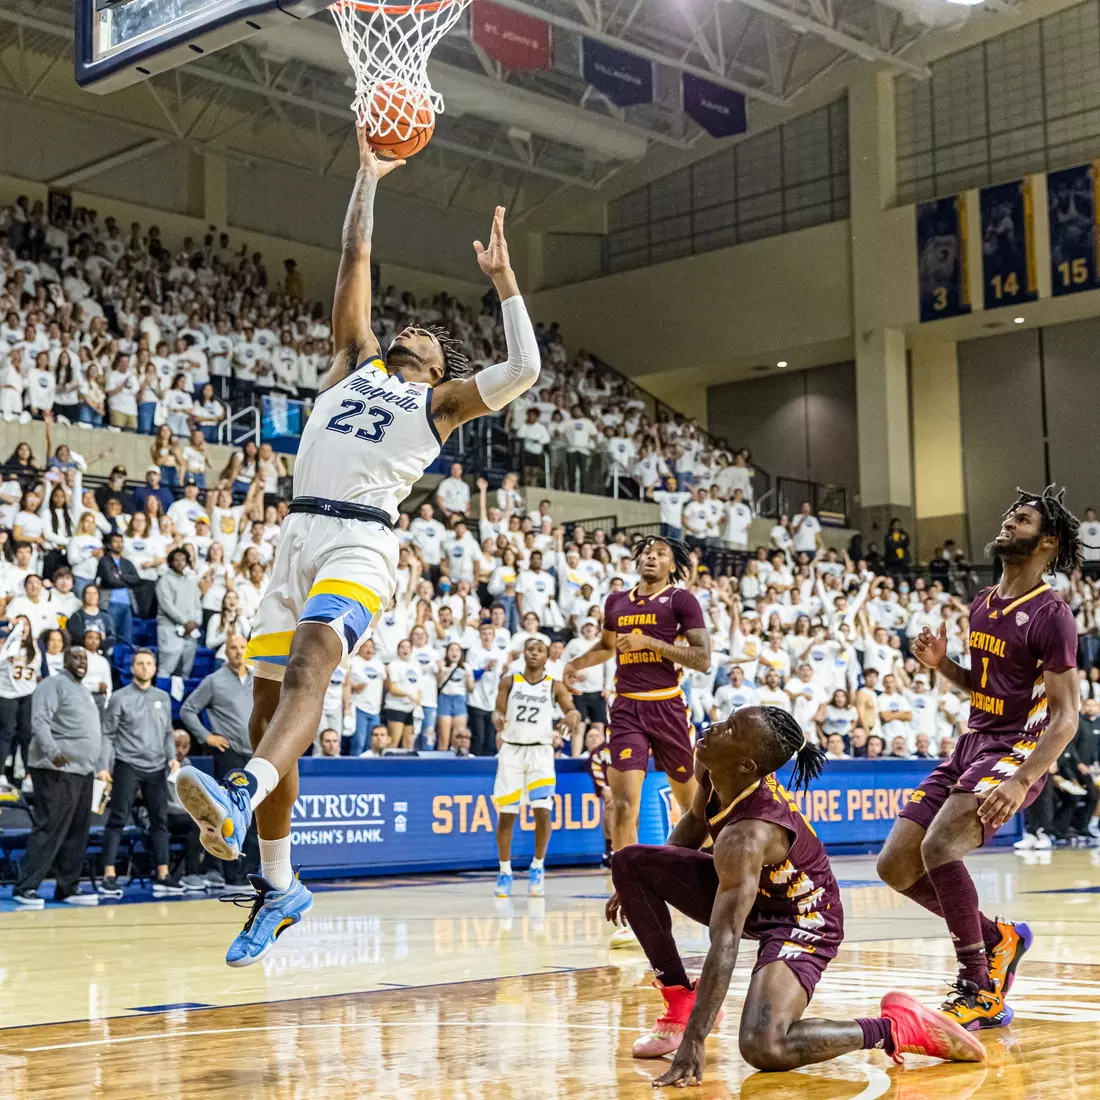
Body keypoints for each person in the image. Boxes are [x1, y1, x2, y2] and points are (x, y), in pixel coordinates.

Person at [175, 130, 541, 968]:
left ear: (441, 367)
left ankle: (240, 796)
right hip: (294, 536)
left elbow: (523, 368)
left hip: (360, 540)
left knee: (312, 667)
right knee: (267, 714)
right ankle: (279, 884)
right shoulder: (352, 364)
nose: (411, 327)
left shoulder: (440, 404)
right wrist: (368, 176)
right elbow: (354, 256)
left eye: (427, 334)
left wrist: (503, 280)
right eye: (406, 325)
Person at [607, 706, 984, 1084]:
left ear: (746, 765)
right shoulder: (712, 763)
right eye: (727, 720)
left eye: (730, 729)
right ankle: (680, 998)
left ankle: (892, 1027)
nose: (715, 726)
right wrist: (650, 878)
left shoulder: (748, 834)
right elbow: (694, 820)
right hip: (759, 892)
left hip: (804, 918)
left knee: (764, 1046)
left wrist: (695, 1040)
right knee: (629, 863)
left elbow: (725, 941)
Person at [876, 487, 1082, 1030]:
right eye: (1010, 514)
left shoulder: (1053, 615)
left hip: (1017, 749)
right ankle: (998, 939)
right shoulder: (983, 601)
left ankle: (980, 989)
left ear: (1048, 541)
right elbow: (984, 686)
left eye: (1022, 519)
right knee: (894, 865)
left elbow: (1066, 718)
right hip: (972, 742)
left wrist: (1021, 780)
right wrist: (943, 665)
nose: (1008, 521)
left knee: (940, 846)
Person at [563, 536, 710, 946]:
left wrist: (651, 643)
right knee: (624, 804)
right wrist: (576, 662)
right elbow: (607, 646)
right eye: (646, 552)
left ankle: (712, 876)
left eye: (660, 554)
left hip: (668, 707)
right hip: (627, 708)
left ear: (672, 565)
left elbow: (702, 658)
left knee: (693, 808)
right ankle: (632, 903)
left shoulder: (681, 600)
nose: (651, 557)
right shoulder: (616, 601)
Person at [13, 646, 109, 907]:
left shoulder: (83, 691)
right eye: (75, 657)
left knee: (78, 831)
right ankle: (25, 886)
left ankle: (68, 887)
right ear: (65, 661)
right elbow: (39, 721)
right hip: (56, 768)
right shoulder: (53, 684)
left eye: (84, 658)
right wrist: (53, 752)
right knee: (50, 827)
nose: (81, 662)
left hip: (83, 771)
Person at [492, 637, 581, 898]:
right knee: (507, 815)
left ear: (546, 656)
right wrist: (497, 719)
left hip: (541, 753)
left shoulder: (554, 685)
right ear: (524, 653)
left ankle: (538, 867)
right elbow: (497, 711)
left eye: (540, 650)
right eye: (531, 649)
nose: (534, 653)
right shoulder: (509, 681)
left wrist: (573, 715)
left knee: (543, 812)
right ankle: (505, 871)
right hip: (512, 751)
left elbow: (571, 709)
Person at [98, 648, 182, 898]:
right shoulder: (119, 698)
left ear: (154, 669)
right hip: (127, 764)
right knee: (118, 818)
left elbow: (167, 732)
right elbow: (107, 734)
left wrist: (172, 757)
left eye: (149, 664)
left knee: (160, 820)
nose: (145, 667)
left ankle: (163, 874)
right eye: (140, 664)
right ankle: (108, 874)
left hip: (157, 766)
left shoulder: (163, 697)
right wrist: (104, 766)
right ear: (132, 668)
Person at [178, 636, 257, 891]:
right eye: (233, 648)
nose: (238, 652)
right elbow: (187, 710)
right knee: (230, 813)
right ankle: (230, 874)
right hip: (229, 753)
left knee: (255, 815)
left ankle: (249, 872)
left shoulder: (257, 678)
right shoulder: (214, 680)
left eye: (242, 647)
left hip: (256, 754)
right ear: (226, 652)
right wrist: (207, 736)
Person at [156, 548, 203, 677]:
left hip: (190, 630)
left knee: (185, 670)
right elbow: (166, 605)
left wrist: (196, 622)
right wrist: (184, 622)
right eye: (176, 560)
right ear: (170, 562)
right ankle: (162, 690)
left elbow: (197, 604)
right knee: (167, 667)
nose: (180, 562)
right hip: (169, 627)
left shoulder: (190, 582)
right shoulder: (164, 580)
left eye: (183, 559)